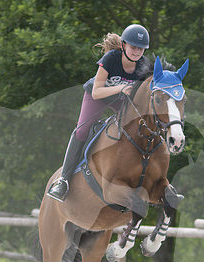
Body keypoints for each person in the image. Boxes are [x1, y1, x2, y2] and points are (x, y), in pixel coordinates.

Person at [47, 24, 150, 202]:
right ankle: (63, 180)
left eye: (140, 48)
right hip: (97, 96)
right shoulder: (111, 58)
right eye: (133, 47)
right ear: (124, 45)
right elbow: (96, 91)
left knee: (137, 127)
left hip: (121, 99)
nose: (136, 52)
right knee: (82, 130)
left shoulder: (143, 65)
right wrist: (122, 87)